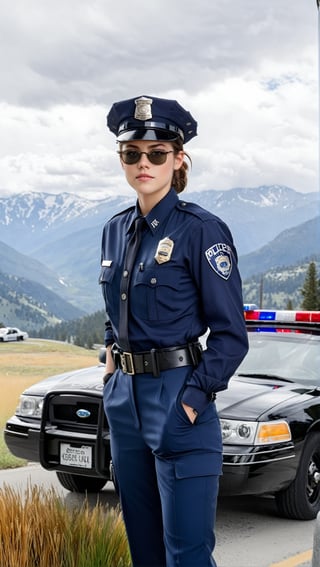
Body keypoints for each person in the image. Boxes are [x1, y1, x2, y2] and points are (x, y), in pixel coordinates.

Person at [100, 95, 249, 567]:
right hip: (125, 404)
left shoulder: (202, 231)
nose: (144, 162)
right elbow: (116, 308)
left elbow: (230, 334)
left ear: (178, 159)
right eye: (132, 153)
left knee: (185, 556)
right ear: (122, 159)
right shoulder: (114, 229)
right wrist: (110, 367)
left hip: (178, 396)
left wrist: (192, 398)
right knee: (143, 551)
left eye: (157, 153)